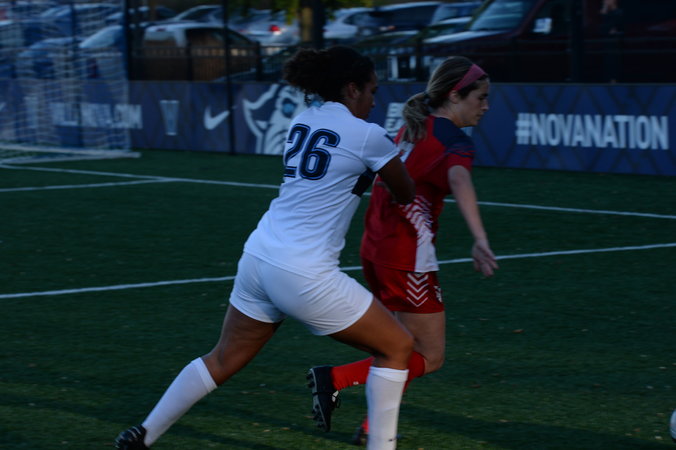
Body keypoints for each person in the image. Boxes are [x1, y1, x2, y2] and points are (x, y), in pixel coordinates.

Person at [114, 45, 416, 450]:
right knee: (397, 346)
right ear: (351, 88)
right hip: (304, 271)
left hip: (259, 256)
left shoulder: (304, 119)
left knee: (223, 357)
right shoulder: (369, 135)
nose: (375, 101)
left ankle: (145, 433)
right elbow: (405, 191)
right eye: (372, 91)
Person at [307, 56, 499, 445]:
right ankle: (335, 378)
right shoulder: (453, 140)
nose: (486, 106)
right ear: (454, 96)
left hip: (376, 249)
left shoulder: (412, 127)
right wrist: (480, 238)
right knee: (428, 355)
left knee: (401, 345)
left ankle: (369, 427)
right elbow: (459, 180)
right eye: (480, 97)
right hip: (407, 258)